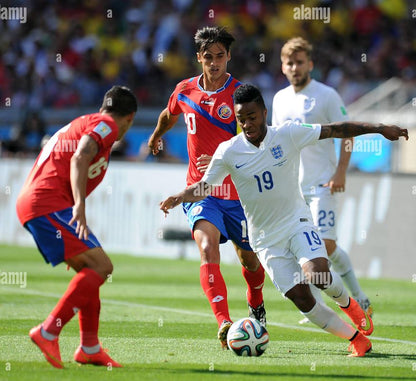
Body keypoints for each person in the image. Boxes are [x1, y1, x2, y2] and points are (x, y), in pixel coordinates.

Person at [160, 84, 409, 357]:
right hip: (265, 239)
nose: (247, 124)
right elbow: (205, 186)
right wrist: (180, 197)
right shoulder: (228, 151)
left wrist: (380, 128)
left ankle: (349, 304)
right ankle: (356, 339)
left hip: (296, 222)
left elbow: (336, 129)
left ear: (264, 113)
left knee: (318, 274)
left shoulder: (288, 133)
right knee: (302, 299)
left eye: (252, 117)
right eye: (241, 119)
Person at [148, 26, 266, 348]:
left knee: (250, 262)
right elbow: (168, 114)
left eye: (220, 57)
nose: (214, 64)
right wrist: (157, 135)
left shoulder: (240, 95)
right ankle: (225, 322)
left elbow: (256, 140)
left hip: (237, 195)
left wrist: (220, 157)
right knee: (206, 247)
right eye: (208, 57)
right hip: (200, 192)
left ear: (228, 56)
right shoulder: (185, 90)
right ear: (199, 58)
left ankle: (256, 302)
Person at [16, 85, 138, 368]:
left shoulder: (91, 121)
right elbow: (81, 156)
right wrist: (80, 206)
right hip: (46, 204)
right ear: (129, 118)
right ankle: (48, 331)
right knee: (102, 267)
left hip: (42, 203)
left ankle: (89, 347)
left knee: (92, 268)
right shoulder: (107, 125)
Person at [272, 37, 373, 321]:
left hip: (323, 183)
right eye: (289, 63)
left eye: (300, 62)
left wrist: (340, 171)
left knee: (325, 245)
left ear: (310, 65)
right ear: (283, 67)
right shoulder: (279, 100)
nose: (294, 67)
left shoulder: (326, 95)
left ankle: (359, 297)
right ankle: (325, 302)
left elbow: (348, 133)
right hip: (294, 188)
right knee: (308, 248)